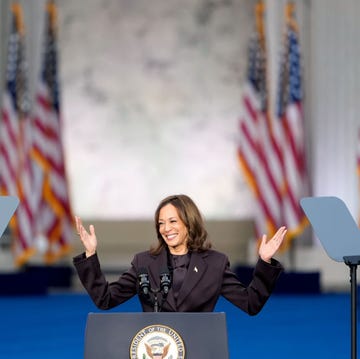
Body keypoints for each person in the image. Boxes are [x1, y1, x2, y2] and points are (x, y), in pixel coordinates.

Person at [73, 194, 286, 313]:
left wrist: (265, 261)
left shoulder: (215, 263)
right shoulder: (144, 262)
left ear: (189, 223)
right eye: (161, 223)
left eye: (173, 221)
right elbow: (105, 299)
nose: (166, 228)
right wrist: (90, 254)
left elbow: (251, 303)